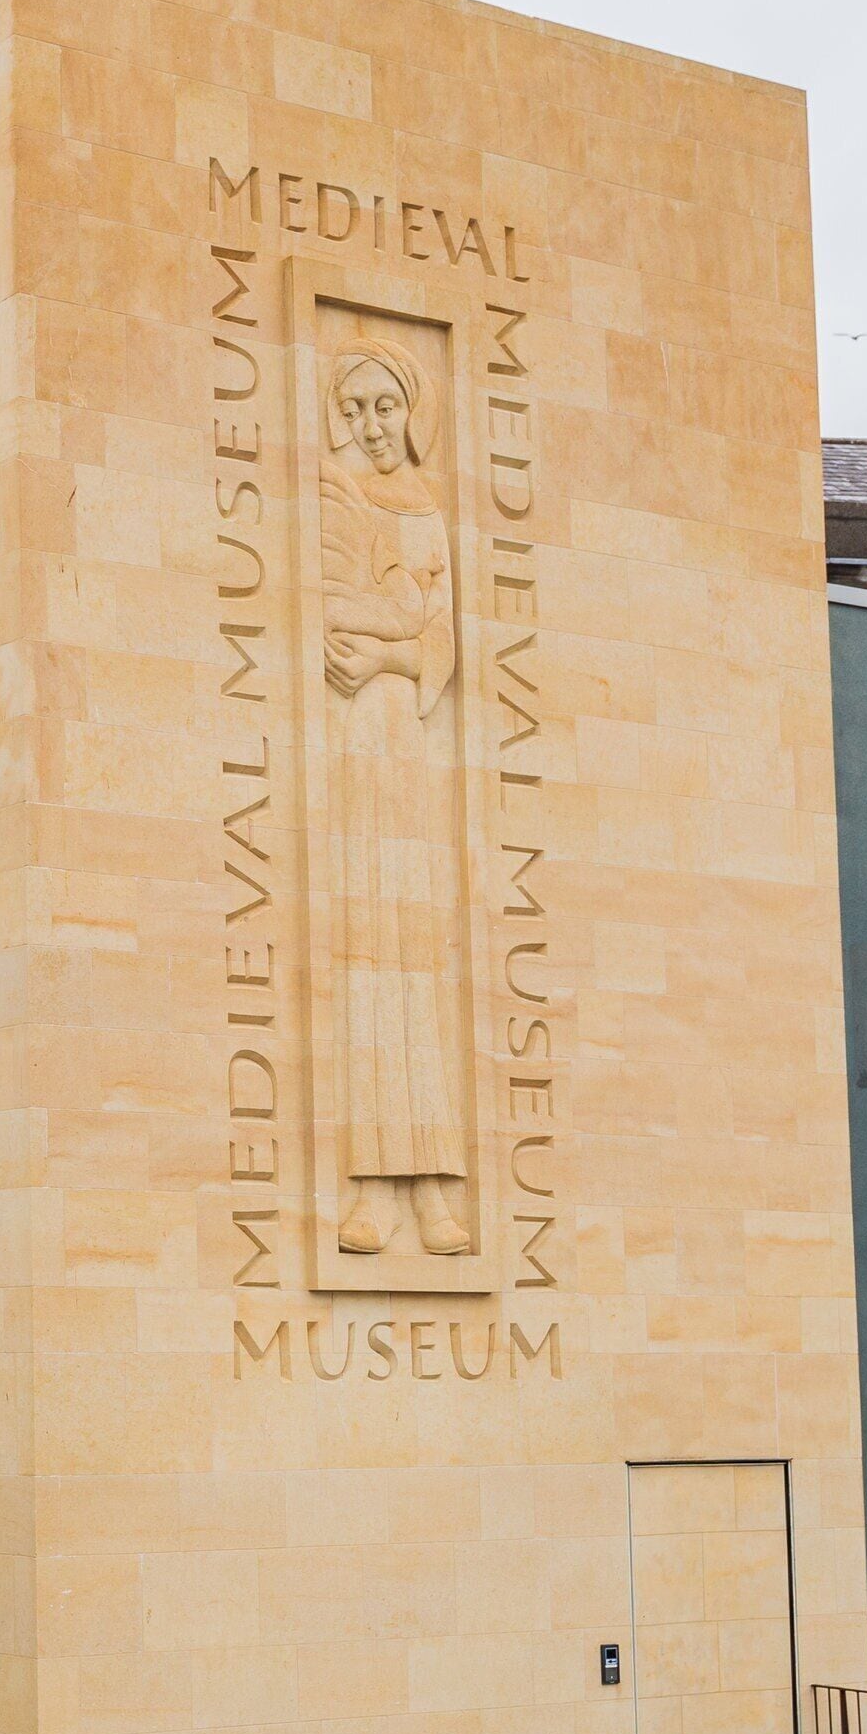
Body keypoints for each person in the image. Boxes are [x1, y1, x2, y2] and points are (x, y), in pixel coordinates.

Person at [316, 335, 475, 1258]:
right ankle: (371, 1189)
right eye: (358, 409)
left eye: (387, 407)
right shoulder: (334, 496)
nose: (374, 428)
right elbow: (333, 606)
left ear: (412, 411)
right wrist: (397, 623)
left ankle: (431, 1191)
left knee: (419, 961)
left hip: (409, 752)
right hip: (355, 755)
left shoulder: (423, 509)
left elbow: (440, 639)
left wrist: (395, 644)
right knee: (368, 956)